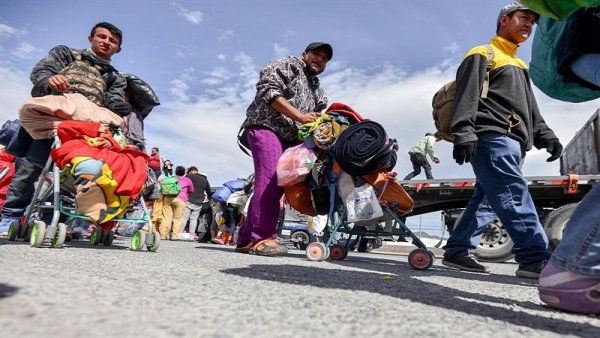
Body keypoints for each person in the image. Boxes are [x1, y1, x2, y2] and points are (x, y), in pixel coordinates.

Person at [441, 2, 563, 279]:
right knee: (512, 194)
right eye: (523, 17)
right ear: (503, 19)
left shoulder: (519, 64)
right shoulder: (483, 53)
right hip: (492, 136)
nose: (528, 25)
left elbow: (530, 110)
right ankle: (534, 258)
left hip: (515, 142)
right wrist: (464, 132)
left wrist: (546, 135)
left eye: (532, 22)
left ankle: (458, 250)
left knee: (487, 199)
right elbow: (467, 95)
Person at [0, 22, 129, 230]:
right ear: (91, 39)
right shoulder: (66, 54)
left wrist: (122, 109)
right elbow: (41, 72)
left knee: (71, 174)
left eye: (112, 41)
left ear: (118, 49)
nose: (106, 42)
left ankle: (52, 224)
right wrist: (50, 80)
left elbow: (113, 102)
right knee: (28, 169)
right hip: (53, 116)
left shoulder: (115, 77)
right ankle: (11, 217)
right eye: (102, 37)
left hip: (85, 127)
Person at [236, 41, 332, 255]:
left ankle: (245, 240)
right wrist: (299, 116)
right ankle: (262, 238)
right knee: (271, 180)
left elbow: (319, 115)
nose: (320, 59)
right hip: (266, 126)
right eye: (316, 54)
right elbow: (268, 90)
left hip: (292, 138)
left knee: (277, 184)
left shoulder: (317, 89)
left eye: (324, 59)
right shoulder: (287, 64)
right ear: (304, 54)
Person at [157, 166, 192, 240]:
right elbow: (191, 190)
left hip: (168, 198)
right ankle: (175, 236)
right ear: (184, 172)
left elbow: (159, 182)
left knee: (166, 217)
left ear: (175, 172)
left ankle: (163, 235)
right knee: (177, 219)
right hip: (181, 199)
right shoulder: (187, 180)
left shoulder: (169, 179)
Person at [181, 166, 212, 240]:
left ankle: (179, 233)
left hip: (188, 200)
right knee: (194, 219)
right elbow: (209, 191)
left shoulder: (188, 177)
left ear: (190, 171)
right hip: (199, 202)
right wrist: (209, 199)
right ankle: (192, 235)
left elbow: (182, 186)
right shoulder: (204, 179)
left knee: (185, 218)